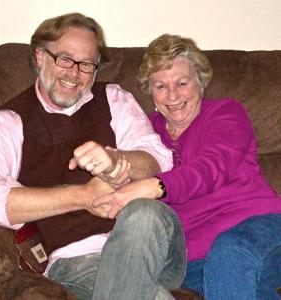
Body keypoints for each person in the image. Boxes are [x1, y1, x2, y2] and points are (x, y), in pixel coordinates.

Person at [0, 14, 187, 299]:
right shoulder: (6, 123)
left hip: (156, 245)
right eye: (65, 59)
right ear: (40, 56)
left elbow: (159, 159)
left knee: (143, 213)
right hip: (77, 261)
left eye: (87, 64)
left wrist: (117, 160)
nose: (74, 73)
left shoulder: (114, 98)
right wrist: (84, 196)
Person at [93, 34, 281, 299]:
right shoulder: (145, 134)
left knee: (229, 254)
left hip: (259, 229)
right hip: (191, 259)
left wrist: (156, 186)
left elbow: (210, 168)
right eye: (160, 85)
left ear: (200, 82)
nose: (172, 95)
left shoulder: (225, 113)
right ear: (150, 90)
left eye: (182, 83)